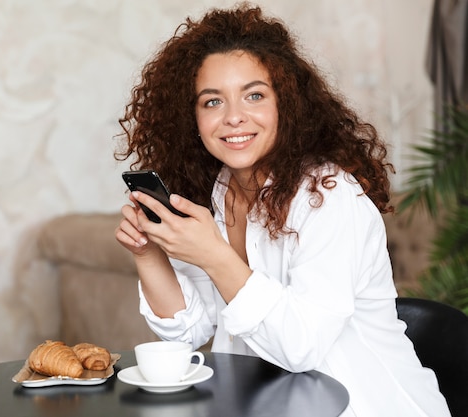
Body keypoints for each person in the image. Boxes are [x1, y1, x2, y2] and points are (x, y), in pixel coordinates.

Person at [114, 3, 451, 417]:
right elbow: (188, 333)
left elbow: (301, 348)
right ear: (192, 117)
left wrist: (213, 254)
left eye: (254, 95)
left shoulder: (328, 195)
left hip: (362, 405)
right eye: (212, 102)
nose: (234, 117)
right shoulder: (213, 194)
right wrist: (148, 254)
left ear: (286, 103)